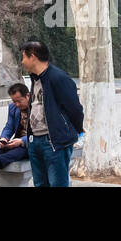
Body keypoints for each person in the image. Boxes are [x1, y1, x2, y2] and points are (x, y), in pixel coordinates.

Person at [20, 40, 84, 187]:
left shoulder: (59, 78)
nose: (22, 62)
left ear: (33, 56)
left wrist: (77, 131)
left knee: (58, 184)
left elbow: (75, 109)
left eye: (24, 57)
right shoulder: (34, 79)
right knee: (40, 184)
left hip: (53, 143)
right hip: (34, 142)